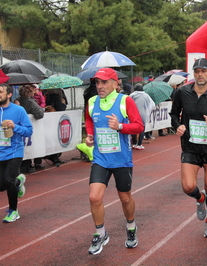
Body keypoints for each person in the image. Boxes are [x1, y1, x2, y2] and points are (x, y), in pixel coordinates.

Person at [84, 68, 144, 254]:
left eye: (104, 82)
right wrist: (90, 135)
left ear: (115, 83)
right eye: (97, 83)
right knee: (94, 197)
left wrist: (119, 126)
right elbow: (89, 120)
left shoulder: (125, 101)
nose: (100, 86)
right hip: (101, 158)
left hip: (121, 160)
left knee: (125, 198)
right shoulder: (92, 102)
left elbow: (139, 126)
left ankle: (131, 227)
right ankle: (100, 233)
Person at [170, 58, 207, 238]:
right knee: (188, 186)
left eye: (203, 71)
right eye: (197, 71)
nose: (200, 74)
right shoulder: (182, 92)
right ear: (193, 73)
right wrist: (177, 126)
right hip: (190, 146)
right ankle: (200, 199)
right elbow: (174, 114)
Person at [0, 83, 33, 222]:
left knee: (8, 180)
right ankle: (18, 181)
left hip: (15, 151)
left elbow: (28, 130)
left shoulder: (19, 110)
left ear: (9, 94)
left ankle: (13, 211)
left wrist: (15, 126)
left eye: (1, 92)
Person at [15, 85, 45, 173]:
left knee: (23, 146)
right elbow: (39, 114)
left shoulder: (16, 101)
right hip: (30, 128)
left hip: (19, 128)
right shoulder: (30, 102)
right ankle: (30, 164)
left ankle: (24, 164)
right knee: (32, 145)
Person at [129, 83, 155, 150]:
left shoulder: (132, 95)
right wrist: (147, 111)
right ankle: (139, 144)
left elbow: (127, 103)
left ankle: (134, 143)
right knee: (142, 128)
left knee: (133, 128)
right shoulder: (146, 95)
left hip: (133, 114)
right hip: (143, 114)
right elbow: (152, 105)